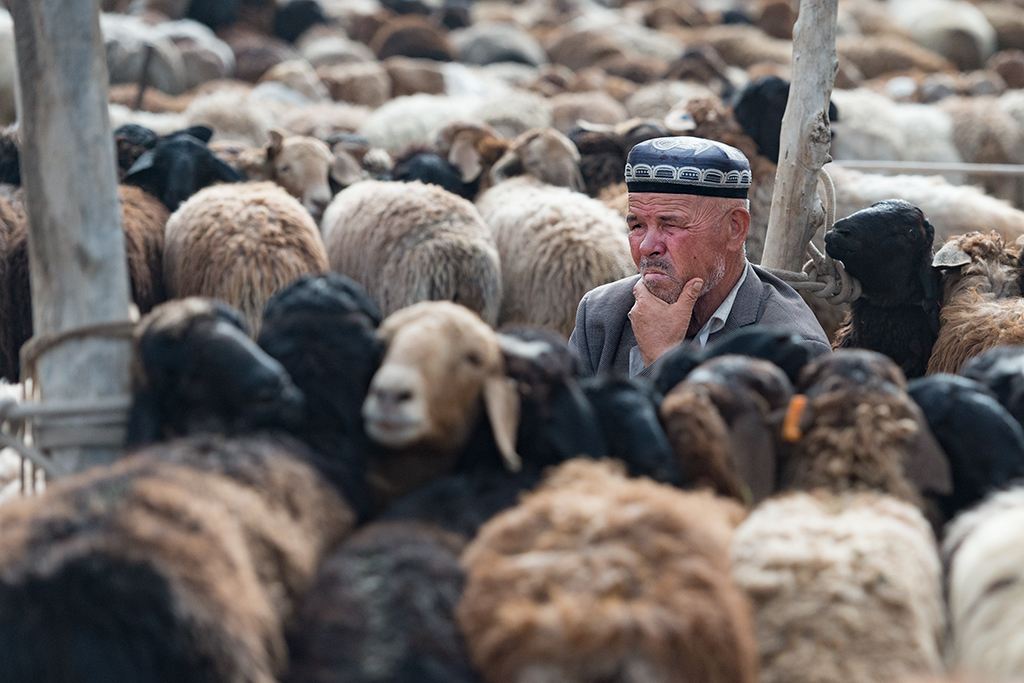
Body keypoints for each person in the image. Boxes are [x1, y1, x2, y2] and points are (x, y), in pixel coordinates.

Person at [569, 135, 831, 377]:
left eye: (670, 225)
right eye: (637, 226)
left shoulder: (791, 347)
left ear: (734, 228)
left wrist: (663, 360)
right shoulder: (600, 315)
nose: (648, 246)